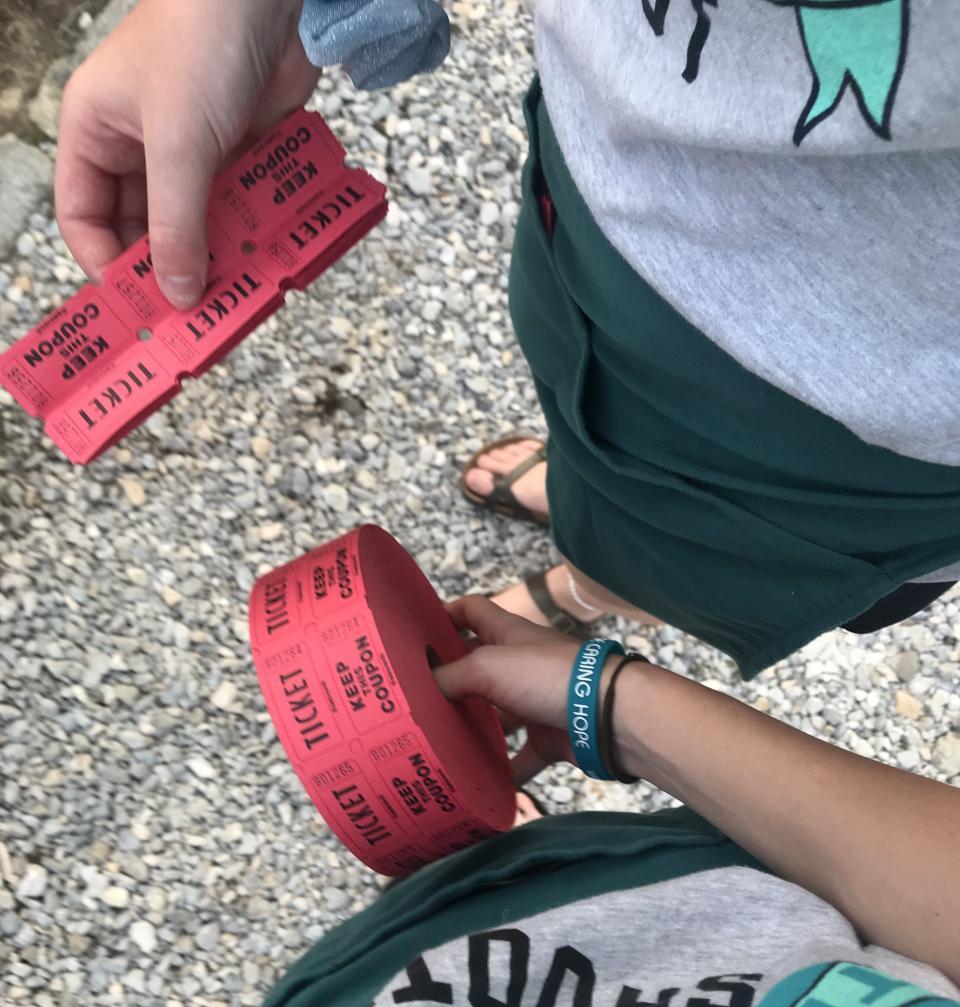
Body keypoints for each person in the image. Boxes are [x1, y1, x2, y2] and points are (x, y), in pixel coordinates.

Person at [55, 0, 960, 678]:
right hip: (595, 175)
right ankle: (586, 498)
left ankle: (590, 590)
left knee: (693, 559)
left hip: (859, 420)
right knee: (574, 388)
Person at [157, 597, 960, 1007]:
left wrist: (612, 702)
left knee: (455, 869)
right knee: (479, 862)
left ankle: (460, 866)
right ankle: (479, 861)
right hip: (726, 888)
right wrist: (607, 704)